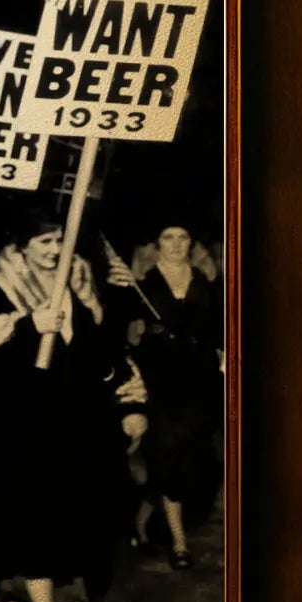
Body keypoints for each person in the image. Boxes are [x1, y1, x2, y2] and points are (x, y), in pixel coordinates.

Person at [0, 206, 127, 602]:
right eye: (44, 242)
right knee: (33, 513)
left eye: (58, 241)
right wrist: (27, 325)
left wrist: (117, 296)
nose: (54, 251)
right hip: (22, 421)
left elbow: (102, 352)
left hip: (74, 419)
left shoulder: (79, 283)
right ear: (22, 247)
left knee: (72, 508)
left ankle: (46, 597)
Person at [128, 220, 224, 568]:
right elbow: (127, 333)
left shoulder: (207, 285)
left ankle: (141, 521)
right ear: (156, 243)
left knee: (190, 459)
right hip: (158, 383)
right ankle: (179, 542)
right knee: (169, 455)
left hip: (198, 383)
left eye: (183, 236)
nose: (176, 244)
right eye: (167, 236)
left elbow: (219, 332)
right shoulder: (141, 285)